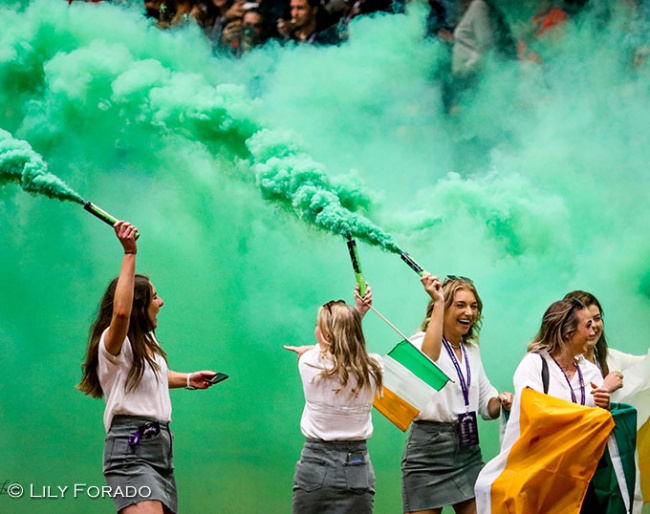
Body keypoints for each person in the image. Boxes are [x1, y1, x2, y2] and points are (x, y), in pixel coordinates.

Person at [77, 221, 218, 514]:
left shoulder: (146, 341)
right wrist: (130, 253)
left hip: (160, 450)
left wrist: (190, 379)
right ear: (140, 305)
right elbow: (121, 312)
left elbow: (153, 379)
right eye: (155, 296)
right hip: (131, 447)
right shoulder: (112, 344)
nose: (162, 302)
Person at [401, 274, 512, 514]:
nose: (469, 313)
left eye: (473, 306)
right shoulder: (421, 341)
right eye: (460, 305)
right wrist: (439, 301)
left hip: (468, 452)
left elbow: (486, 406)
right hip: (428, 453)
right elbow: (427, 362)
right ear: (441, 307)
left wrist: (502, 401)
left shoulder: (471, 349)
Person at [284, 285, 382, 514]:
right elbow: (347, 349)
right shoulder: (374, 366)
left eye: (318, 326)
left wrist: (357, 313)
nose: (315, 330)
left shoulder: (308, 362)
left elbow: (332, 353)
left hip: (316, 463)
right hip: (357, 465)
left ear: (327, 335)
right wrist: (356, 315)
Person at [513, 297, 610, 408]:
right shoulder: (534, 364)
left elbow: (599, 419)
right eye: (587, 326)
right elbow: (533, 411)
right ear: (567, 332)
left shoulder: (591, 372)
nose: (592, 332)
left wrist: (605, 406)